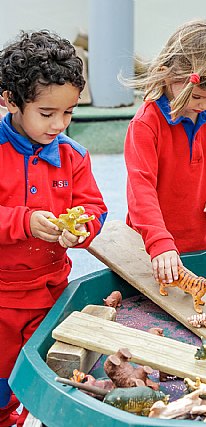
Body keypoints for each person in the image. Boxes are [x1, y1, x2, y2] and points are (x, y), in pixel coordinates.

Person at [0, 30, 108, 427]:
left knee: (50, 382)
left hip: (51, 293)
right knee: (1, 387)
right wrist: (23, 221)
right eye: (47, 114)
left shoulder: (72, 155)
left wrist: (82, 229)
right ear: (9, 99)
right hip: (2, 300)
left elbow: (94, 207)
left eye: (69, 113)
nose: (59, 124)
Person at [124, 19, 206, 284]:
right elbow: (140, 190)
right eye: (197, 97)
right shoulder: (146, 124)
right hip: (155, 251)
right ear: (167, 75)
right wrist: (159, 242)